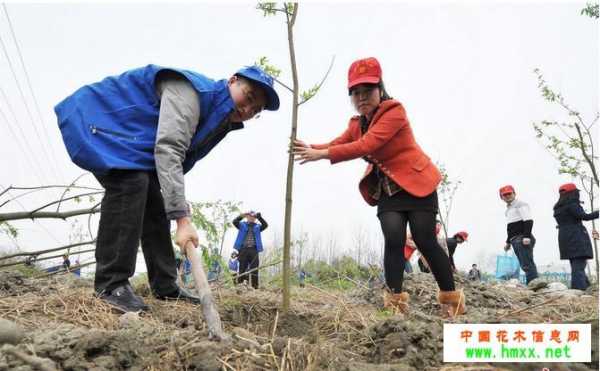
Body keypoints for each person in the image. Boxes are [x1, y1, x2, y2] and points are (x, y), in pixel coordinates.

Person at [55, 64, 280, 312]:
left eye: (256, 110)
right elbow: (169, 149)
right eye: (248, 97)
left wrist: (177, 203)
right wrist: (182, 218)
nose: (247, 109)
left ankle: (165, 285)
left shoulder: (221, 118)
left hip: (130, 138)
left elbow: (176, 161)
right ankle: (111, 284)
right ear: (233, 80)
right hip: (95, 117)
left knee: (153, 197)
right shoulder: (193, 93)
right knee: (131, 183)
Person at [292, 57, 465, 317]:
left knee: (424, 239)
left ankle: (451, 302)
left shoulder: (394, 111)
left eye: (368, 91)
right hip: (388, 190)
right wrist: (307, 147)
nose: (362, 98)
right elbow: (337, 142)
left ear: (380, 89)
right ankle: (394, 307)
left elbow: (367, 145)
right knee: (393, 240)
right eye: (356, 93)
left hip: (418, 184)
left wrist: (322, 154)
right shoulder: (356, 124)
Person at [553, 183, 599, 290]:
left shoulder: (558, 208)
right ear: (573, 193)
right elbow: (584, 216)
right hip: (576, 236)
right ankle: (579, 290)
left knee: (576, 264)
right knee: (579, 265)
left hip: (564, 237)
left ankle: (586, 288)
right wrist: (597, 213)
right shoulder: (572, 204)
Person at [499, 185, 539, 285]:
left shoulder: (521, 204)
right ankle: (532, 284)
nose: (508, 196)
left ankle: (533, 286)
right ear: (501, 197)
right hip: (515, 239)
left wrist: (526, 236)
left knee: (527, 264)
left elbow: (528, 220)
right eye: (505, 195)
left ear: (514, 193)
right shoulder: (508, 209)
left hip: (522, 238)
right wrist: (508, 242)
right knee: (524, 264)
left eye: (509, 193)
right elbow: (511, 228)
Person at [233, 211, 268, 289]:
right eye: (250, 216)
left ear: (255, 219)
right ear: (247, 217)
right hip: (243, 249)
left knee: (254, 269)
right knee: (242, 268)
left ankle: (255, 287)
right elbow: (234, 222)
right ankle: (240, 287)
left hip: (254, 250)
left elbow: (265, 225)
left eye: (253, 217)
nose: (251, 218)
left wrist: (260, 217)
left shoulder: (258, 227)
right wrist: (242, 215)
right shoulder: (242, 225)